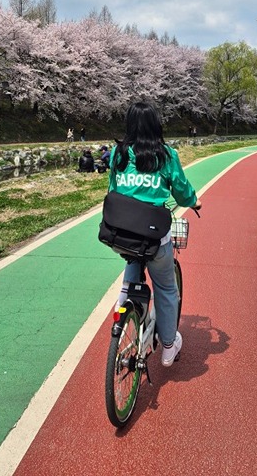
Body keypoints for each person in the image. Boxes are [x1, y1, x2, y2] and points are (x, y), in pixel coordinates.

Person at [109, 101, 201, 368]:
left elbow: (113, 190)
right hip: (154, 235)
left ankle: (124, 299)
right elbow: (181, 190)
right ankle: (169, 346)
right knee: (166, 287)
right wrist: (194, 201)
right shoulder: (166, 155)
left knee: (132, 258)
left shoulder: (119, 153)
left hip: (120, 234)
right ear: (156, 125)